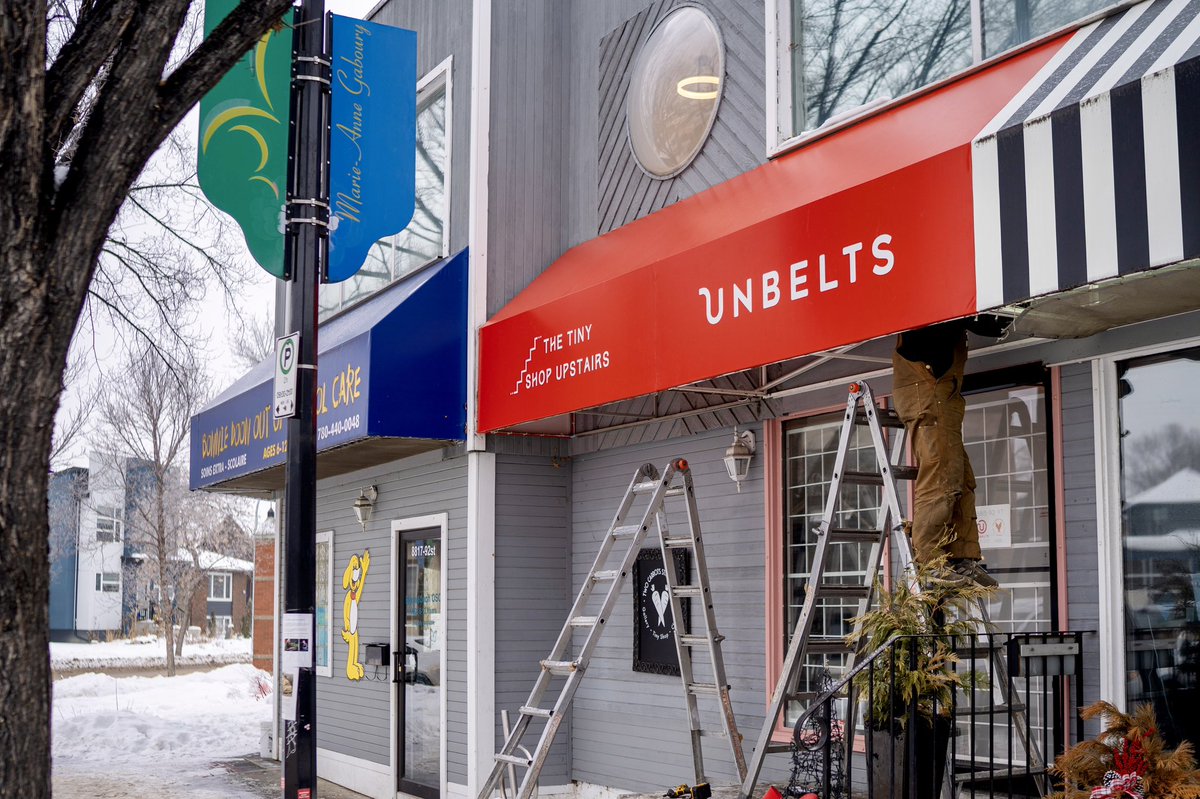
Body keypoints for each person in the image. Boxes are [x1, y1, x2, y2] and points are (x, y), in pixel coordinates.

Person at [892, 316, 1008, 588]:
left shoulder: (946, 313)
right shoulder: (933, 310)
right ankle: (930, 561)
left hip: (941, 399)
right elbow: (986, 325)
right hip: (930, 397)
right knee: (942, 479)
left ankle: (961, 557)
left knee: (961, 480)